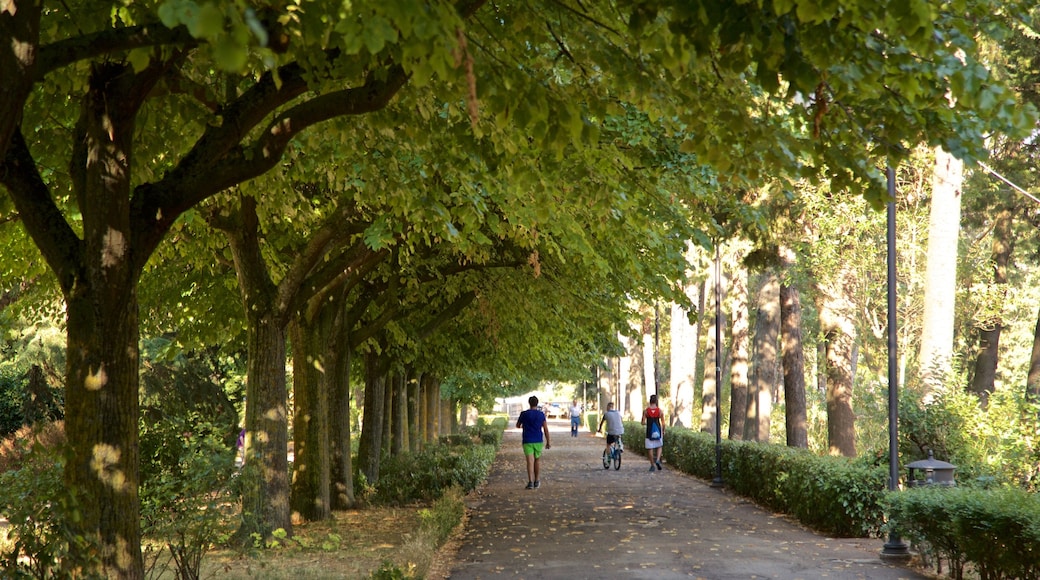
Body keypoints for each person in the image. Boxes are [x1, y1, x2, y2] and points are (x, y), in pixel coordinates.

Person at [516, 395, 551, 489]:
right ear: (537, 403)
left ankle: (530, 482)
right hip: (538, 440)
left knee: (529, 462)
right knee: (537, 461)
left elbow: (518, 425)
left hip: (527, 440)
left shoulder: (524, 414)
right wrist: (548, 441)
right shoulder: (541, 414)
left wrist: (524, 426)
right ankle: (537, 480)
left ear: (529, 403)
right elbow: (546, 429)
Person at [642, 393, 665, 471]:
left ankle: (652, 465)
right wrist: (663, 430)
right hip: (658, 430)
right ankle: (658, 460)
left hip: (649, 431)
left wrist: (646, 422)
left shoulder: (646, 411)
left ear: (650, 401)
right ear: (656, 401)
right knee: (659, 446)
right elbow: (663, 423)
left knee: (650, 448)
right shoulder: (660, 411)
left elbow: (642, 422)